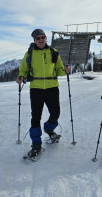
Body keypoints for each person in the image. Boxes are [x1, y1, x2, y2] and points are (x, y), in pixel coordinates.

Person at [16, 29, 71, 158]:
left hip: (52, 88)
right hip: (36, 89)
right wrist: (21, 76)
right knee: (35, 117)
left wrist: (66, 70)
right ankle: (36, 144)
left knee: (55, 113)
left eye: (43, 37)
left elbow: (60, 70)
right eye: (38, 38)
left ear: (46, 38)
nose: (41, 40)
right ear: (34, 40)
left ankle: (48, 128)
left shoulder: (53, 52)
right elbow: (23, 68)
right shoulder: (30, 53)